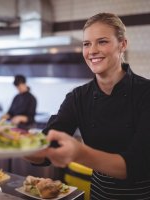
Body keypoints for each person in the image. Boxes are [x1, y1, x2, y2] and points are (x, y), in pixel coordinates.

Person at [26, 13, 150, 199]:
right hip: (98, 194)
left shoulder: (145, 93)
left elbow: (137, 164)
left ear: (122, 44)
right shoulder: (78, 97)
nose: (92, 51)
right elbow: (45, 148)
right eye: (87, 44)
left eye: (102, 42)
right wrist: (9, 144)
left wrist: (80, 153)